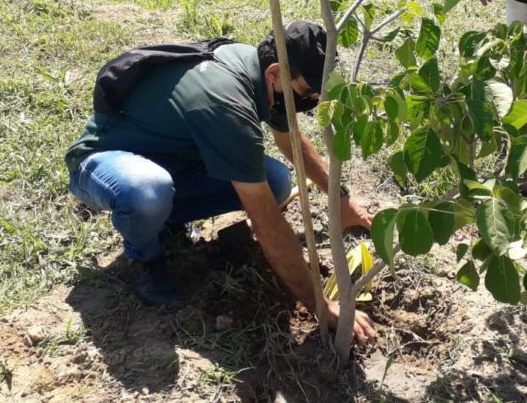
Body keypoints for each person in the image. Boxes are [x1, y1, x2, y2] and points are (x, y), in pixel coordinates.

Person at [64, 22, 377, 345]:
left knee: (276, 180)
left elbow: (293, 142)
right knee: (147, 191)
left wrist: (342, 201)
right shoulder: (227, 103)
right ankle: (145, 258)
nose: (311, 99)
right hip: (104, 162)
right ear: (274, 74)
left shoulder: (264, 73)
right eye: (307, 92)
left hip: (172, 162)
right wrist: (319, 305)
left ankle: (167, 217)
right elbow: (266, 221)